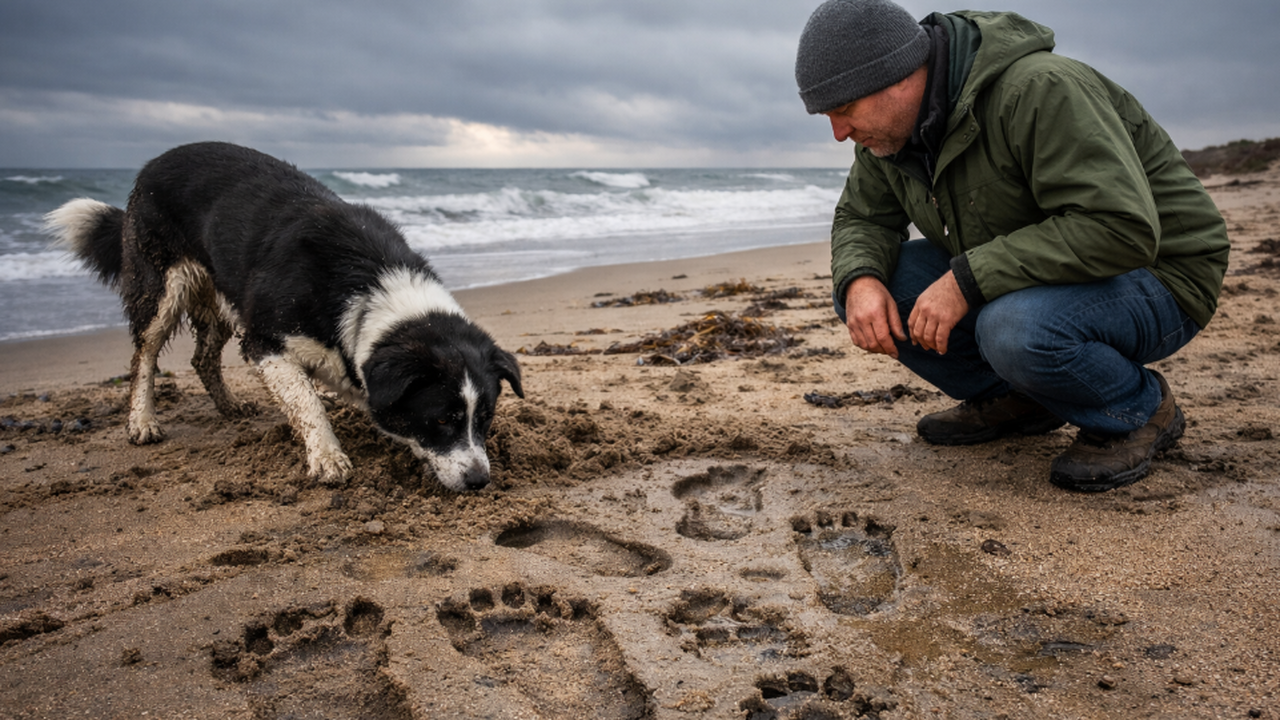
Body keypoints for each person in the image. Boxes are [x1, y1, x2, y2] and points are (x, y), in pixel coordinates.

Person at [794, 0, 1230, 491]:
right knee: (877, 290)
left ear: (897, 76)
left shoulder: (1040, 89)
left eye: (844, 109)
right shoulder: (889, 136)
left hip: (1162, 275)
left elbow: (1120, 227)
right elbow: (861, 217)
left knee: (1014, 330)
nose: (838, 133)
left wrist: (966, 281)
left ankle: (1139, 409)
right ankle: (1020, 399)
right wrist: (860, 281)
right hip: (1037, 275)